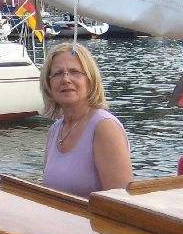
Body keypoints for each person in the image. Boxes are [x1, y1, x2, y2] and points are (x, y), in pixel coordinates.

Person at [40, 42, 134, 195]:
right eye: (57, 73)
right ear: (48, 84)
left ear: (90, 80)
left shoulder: (105, 128)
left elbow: (122, 202)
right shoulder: (55, 131)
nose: (66, 79)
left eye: (75, 72)